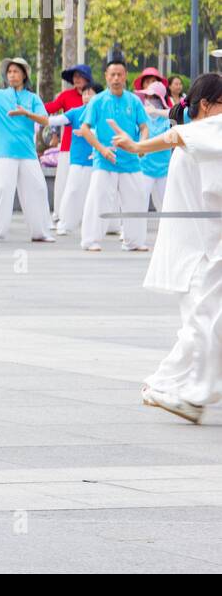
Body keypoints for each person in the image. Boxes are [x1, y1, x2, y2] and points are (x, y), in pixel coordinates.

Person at [111, 74, 222, 423]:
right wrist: (137, 147)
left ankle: (170, 385)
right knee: (204, 324)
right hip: (202, 252)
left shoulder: (205, 135)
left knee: (202, 324)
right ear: (206, 105)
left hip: (199, 248)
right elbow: (176, 134)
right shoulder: (208, 130)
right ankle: (181, 392)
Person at [77, 58, 150, 252]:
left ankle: (134, 241)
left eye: (120, 74)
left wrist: (141, 145)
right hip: (105, 160)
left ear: (125, 76)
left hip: (131, 161)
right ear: (106, 77)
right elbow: (85, 129)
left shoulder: (134, 101)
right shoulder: (98, 101)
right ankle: (90, 240)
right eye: (112, 75)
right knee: (98, 200)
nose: (116, 78)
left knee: (136, 200)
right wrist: (102, 149)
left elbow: (144, 126)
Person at [0, 57, 53, 242]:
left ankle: (40, 233)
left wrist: (26, 113)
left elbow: (45, 120)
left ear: (24, 75)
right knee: (1, 190)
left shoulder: (33, 98)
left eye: (16, 71)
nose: (12, 75)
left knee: (38, 189)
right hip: (4, 153)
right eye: (9, 72)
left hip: (28, 153)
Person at [50, 83, 100, 236]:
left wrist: (89, 132)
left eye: (90, 93)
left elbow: (105, 131)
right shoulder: (75, 112)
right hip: (78, 159)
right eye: (84, 94)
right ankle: (65, 223)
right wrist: (34, 115)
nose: (86, 97)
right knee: (72, 190)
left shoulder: (102, 113)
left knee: (97, 194)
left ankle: (101, 225)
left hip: (97, 160)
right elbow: (55, 120)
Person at [46, 63, 92, 222]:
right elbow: (52, 108)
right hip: (68, 146)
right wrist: (32, 109)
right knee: (63, 182)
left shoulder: (96, 98)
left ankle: (85, 215)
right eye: (74, 76)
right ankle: (59, 214)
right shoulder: (66, 96)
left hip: (92, 148)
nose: (76, 79)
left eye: (80, 76)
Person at [136, 80, 172, 210]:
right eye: (147, 96)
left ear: (160, 99)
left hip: (164, 169)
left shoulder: (167, 119)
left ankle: (169, 230)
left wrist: (157, 111)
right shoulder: (142, 116)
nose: (149, 100)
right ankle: (134, 230)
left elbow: (176, 119)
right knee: (140, 202)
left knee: (166, 205)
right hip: (145, 168)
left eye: (152, 97)